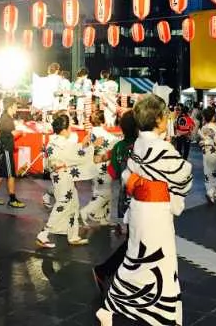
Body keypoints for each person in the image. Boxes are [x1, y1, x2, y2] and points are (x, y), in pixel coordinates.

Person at [97, 94, 193, 326]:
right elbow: (185, 175)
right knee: (160, 261)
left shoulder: (140, 143)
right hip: (155, 212)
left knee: (137, 259)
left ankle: (112, 306)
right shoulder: (160, 147)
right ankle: (164, 315)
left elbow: (129, 173)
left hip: (140, 209)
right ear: (159, 119)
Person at [93, 110, 138, 295]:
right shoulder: (139, 146)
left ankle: (110, 272)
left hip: (124, 197)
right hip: (138, 197)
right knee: (135, 240)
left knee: (134, 239)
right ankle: (107, 271)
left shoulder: (118, 146)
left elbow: (112, 173)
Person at [35, 112, 93, 248]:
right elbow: (77, 156)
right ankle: (43, 234)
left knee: (73, 204)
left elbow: (72, 154)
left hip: (61, 178)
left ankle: (73, 235)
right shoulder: (62, 144)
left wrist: (83, 146)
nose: (71, 130)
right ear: (64, 129)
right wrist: (89, 147)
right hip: (63, 179)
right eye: (70, 127)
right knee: (62, 206)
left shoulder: (53, 143)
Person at [80, 110, 117, 226]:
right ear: (103, 120)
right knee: (105, 194)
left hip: (92, 166)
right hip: (103, 166)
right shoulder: (107, 135)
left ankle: (104, 218)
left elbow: (84, 149)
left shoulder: (89, 134)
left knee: (99, 191)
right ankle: (85, 212)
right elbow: (116, 144)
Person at [0, 97, 26, 208]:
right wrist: (20, 132)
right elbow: (11, 134)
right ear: (10, 106)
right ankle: (12, 199)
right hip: (6, 150)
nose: (16, 108)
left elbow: (6, 134)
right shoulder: (7, 119)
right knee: (10, 175)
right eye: (15, 106)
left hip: (4, 150)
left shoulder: (5, 117)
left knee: (2, 174)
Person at [198, 106, 216, 204]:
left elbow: (201, 140)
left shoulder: (203, 128)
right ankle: (212, 192)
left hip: (206, 153)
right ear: (213, 117)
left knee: (208, 173)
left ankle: (215, 191)